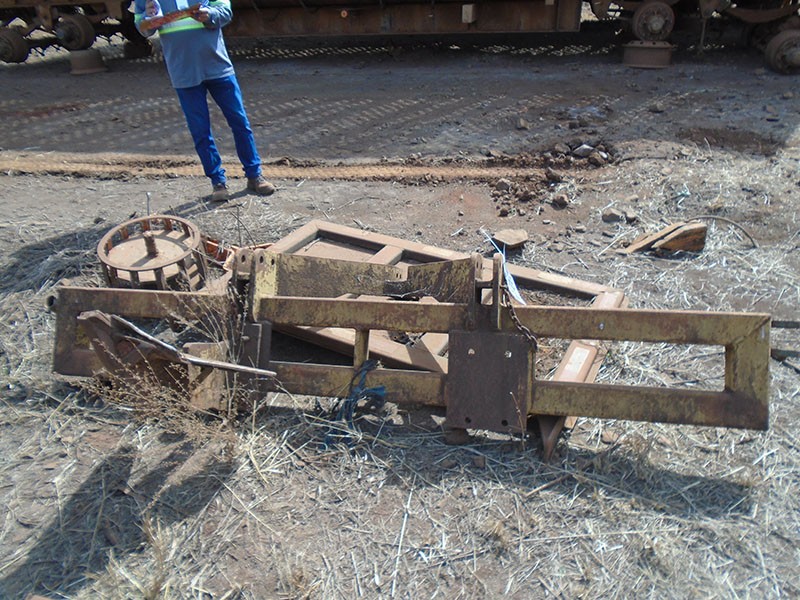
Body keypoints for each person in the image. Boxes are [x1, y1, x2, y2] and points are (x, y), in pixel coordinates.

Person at [134, 0, 274, 202]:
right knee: (200, 130)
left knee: (239, 122)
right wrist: (148, 20)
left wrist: (210, 15)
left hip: (218, 67)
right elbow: (141, 26)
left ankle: (254, 176)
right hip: (183, 72)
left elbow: (225, 12)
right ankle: (218, 182)